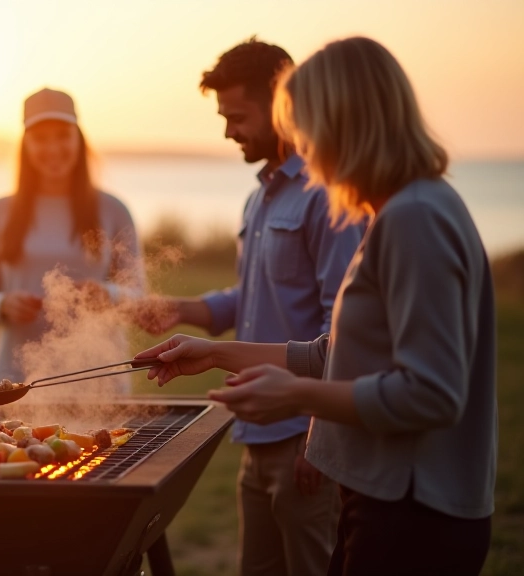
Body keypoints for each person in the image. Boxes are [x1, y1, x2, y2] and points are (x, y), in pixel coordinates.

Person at [138, 36, 496, 576]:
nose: (301, 147)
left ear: (344, 124)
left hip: (415, 512)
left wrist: (300, 398)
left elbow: (432, 393)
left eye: (304, 128)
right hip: (384, 499)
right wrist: (215, 353)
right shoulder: (398, 212)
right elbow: (340, 352)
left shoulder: (415, 218)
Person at [134, 38, 363, 576]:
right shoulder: (260, 197)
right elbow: (253, 297)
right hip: (255, 434)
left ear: (284, 101)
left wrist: (319, 436)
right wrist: (179, 309)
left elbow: (344, 329)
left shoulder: (327, 196)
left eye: (237, 116)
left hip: (304, 437)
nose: (228, 131)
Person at [0, 88, 143, 385]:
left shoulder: (113, 209)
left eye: (62, 135)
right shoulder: (2, 211)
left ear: (79, 140)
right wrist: (3, 304)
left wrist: (107, 295)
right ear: (26, 146)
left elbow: (139, 298)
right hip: (16, 380)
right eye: (41, 138)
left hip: (98, 379)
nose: (53, 148)